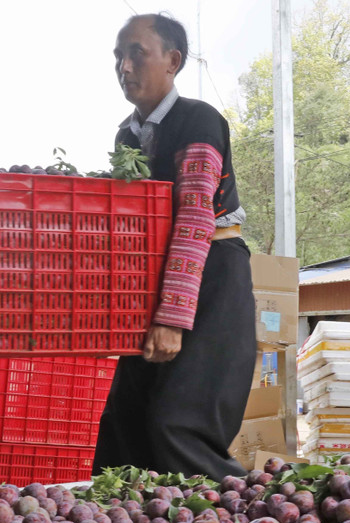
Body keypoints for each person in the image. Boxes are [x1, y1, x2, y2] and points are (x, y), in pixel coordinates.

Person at [93, 13, 256, 481]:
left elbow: (193, 218)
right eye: (118, 56)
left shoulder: (198, 121)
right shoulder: (127, 134)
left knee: (180, 425)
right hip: (156, 282)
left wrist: (170, 318)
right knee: (124, 424)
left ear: (173, 61)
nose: (124, 66)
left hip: (210, 278)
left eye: (136, 53)